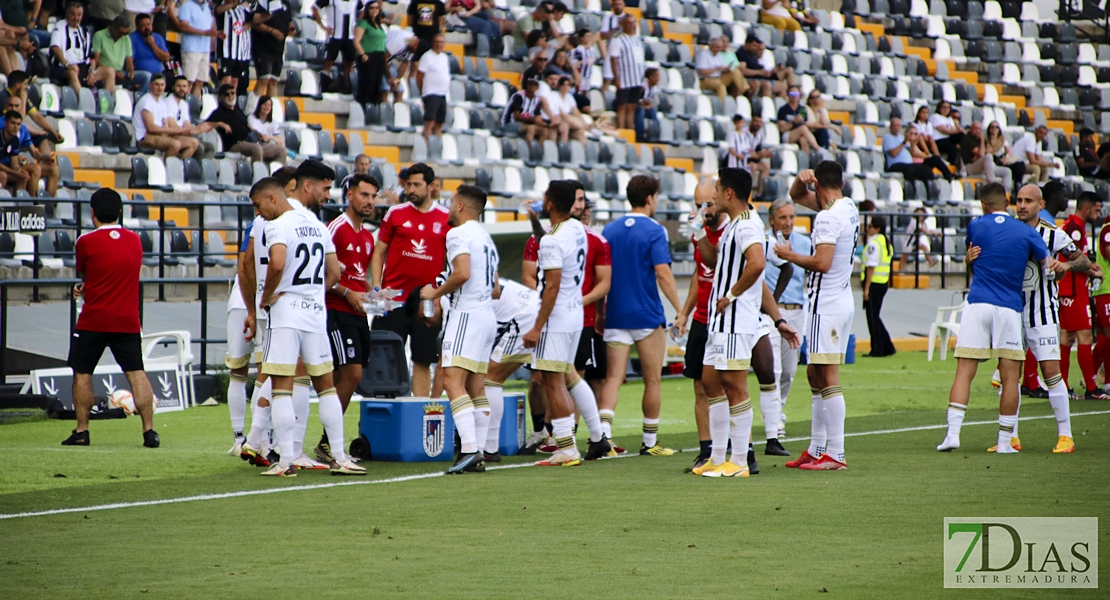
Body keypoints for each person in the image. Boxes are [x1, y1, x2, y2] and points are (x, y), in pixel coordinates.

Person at [250, 177, 366, 477]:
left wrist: (265, 298)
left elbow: (276, 264)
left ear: (272, 198)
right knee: (326, 387)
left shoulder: (278, 225)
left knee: (282, 387)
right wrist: (314, 292)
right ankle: (339, 457)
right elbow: (335, 272)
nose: (258, 213)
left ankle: (286, 460)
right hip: (315, 313)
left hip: (286, 313)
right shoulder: (316, 224)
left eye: (258, 205)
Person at [935, 183, 1048, 454]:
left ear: (983, 205)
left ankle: (952, 434)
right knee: (1011, 377)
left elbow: (973, 253)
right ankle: (1004, 441)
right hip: (1008, 307)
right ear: (1008, 201)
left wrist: (969, 259)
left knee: (964, 372)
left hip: (977, 304)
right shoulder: (1026, 231)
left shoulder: (976, 226)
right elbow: (1046, 261)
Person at [775, 161, 859, 470]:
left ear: (818, 187)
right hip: (836, 300)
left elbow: (822, 263)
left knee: (827, 375)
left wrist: (788, 255)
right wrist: (800, 181)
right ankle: (816, 447)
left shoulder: (827, 217)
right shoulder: (846, 206)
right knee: (814, 373)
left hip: (827, 303)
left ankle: (835, 454)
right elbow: (797, 196)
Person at [522, 180, 612, 466]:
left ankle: (566, 447)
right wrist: (537, 224)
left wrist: (537, 326)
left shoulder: (553, 238)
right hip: (575, 314)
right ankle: (598, 437)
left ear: (549, 204)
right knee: (570, 376)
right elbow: (550, 245)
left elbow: (551, 286)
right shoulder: (575, 228)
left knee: (552, 381)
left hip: (556, 317)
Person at [62, 188, 159, 449]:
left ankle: (82, 430)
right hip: (126, 319)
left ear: (92, 213)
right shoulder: (135, 241)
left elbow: (86, 273)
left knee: (82, 373)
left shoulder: (85, 241)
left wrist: (84, 287)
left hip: (94, 318)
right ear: (119, 212)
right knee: (137, 373)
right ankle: (149, 431)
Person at [417, 185, 500, 474]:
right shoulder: (487, 237)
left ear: (462, 206)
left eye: (452, 202)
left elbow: (462, 273)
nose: (449, 207)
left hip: (468, 313)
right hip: (487, 315)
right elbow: (496, 287)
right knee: (476, 386)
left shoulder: (458, 233)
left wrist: (436, 293)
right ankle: (478, 450)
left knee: (452, 380)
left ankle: (468, 450)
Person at [995, 185, 1085, 453]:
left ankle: (1065, 436)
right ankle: (1010, 437)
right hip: (1011, 312)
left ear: (1040, 204)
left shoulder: (1052, 233)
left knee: (1050, 373)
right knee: (1008, 373)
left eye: (1028, 201)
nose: (1021, 205)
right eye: (1019, 200)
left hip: (1042, 314)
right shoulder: (1008, 229)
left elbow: (1082, 259)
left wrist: (1065, 266)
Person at [600, 175, 683, 456]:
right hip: (647, 316)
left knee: (613, 379)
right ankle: (649, 443)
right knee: (652, 380)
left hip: (615, 314)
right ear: (649, 198)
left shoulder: (609, 230)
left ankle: (604, 439)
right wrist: (680, 308)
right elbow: (663, 273)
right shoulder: (655, 230)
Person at [370, 163, 450, 397]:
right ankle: (387, 410)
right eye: (408, 184)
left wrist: (440, 297)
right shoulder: (396, 213)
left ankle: (421, 414)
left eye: (417, 185)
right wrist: (377, 289)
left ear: (431, 186)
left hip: (426, 301)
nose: (411, 189)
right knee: (385, 357)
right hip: (392, 298)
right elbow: (378, 253)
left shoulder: (446, 218)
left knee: (423, 360)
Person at [321, 173, 379, 458]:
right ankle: (327, 444)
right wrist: (347, 294)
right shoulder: (336, 228)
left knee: (342, 377)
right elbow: (320, 274)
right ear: (349, 196)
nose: (369, 201)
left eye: (373, 196)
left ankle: (325, 444)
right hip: (336, 310)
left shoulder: (368, 237)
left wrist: (375, 295)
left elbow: (358, 277)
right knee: (352, 374)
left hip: (357, 313)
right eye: (364, 195)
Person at [677, 178, 730, 471]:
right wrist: (685, 312)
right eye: (698, 205)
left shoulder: (729, 231)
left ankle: (734, 448)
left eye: (708, 204)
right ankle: (706, 450)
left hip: (723, 318)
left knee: (726, 386)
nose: (703, 210)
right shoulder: (702, 232)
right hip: (701, 317)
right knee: (699, 386)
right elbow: (700, 274)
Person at [763, 198, 810, 436]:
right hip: (772, 311)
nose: (788, 222)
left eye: (791, 217)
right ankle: (774, 419)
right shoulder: (762, 243)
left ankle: (775, 410)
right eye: (782, 218)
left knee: (790, 370)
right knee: (775, 369)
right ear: (772, 220)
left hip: (796, 309)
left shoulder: (804, 243)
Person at [483, 277, 540, 461]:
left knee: (490, 380)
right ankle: (595, 436)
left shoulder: (448, 299)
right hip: (542, 309)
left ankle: (490, 448)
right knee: (560, 377)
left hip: (526, 316)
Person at [1059, 192, 1108, 399]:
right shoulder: (1075, 228)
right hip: (1073, 288)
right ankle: (1091, 388)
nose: (1099, 214)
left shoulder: (1074, 225)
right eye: (1096, 210)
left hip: (1071, 288)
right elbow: (1075, 261)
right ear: (1086, 209)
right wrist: (1092, 271)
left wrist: (1089, 267)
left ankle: (1063, 387)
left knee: (1068, 337)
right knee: (1084, 336)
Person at [207, 84, 285, 163]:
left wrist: (257, 133)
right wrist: (219, 124)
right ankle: (259, 174)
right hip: (235, 145)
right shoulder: (218, 113)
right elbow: (205, 124)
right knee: (257, 149)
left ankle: (278, 174)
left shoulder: (238, 110)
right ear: (220, 97)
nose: (230, 96)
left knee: (281, 151)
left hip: (250, 141)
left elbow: (246, 125)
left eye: (233, 93)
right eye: (227, 94)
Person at [133, 74, 201, 157]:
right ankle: (167, 168)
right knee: (175, 144)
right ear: (150, 85)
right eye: (156, 84)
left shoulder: (162, 102)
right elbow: (151, 128)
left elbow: (165, 125)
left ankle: (181, 168)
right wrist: (174, 131)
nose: (160, 88)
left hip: (160, 135)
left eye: (162, 85)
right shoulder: (146, 102)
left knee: (194, 142)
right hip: (145, 137)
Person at [861, 216, 895, 357]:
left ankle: (879, 348)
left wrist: (866, 289)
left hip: (874, 283)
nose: (868, 229)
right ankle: (886, 345)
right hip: (882, 282)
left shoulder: (874, 244)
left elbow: (871, 267)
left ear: (877, 229)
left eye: (870, 226)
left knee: (873, 318)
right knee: (875, 316)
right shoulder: (885, 242)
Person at [169, 0, 216, 99]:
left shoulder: (207, 7)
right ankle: (183, 105)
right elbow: (183, 26)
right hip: (191, 48)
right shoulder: (187, 6)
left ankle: (193, 107)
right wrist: (203, 33)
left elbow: (208, 27)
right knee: (188, 81)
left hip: (205, 49)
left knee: (200, 82)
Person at [164, 75, 218, 159]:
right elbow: (173, 127)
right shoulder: (167, 102)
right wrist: (195, 130)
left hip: (183, 135)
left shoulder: (184, 104)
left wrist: (198, 129)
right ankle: (189, 169)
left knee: (210, 147)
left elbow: (187, 125)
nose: (182, 89)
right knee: (199, 147)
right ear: (173, 87)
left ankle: (200, 169)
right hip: (172, 136)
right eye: (179, 86)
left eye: (184, 86)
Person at [90, 16, 148, 94]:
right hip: (104, 74)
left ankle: (139, 101)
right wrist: (112, 72)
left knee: (146, 76)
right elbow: (95, 60)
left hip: (120, 73)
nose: (122, 35)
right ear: (113, 28)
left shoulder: (126, 38)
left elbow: (129, 60)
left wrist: (130, 71)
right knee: (108, 77)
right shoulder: (99, 35)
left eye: (125, 33)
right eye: (120, 32)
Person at [312, 0, 358, 94]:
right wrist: (323, 26)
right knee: (329, 62)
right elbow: (314, 8)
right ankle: (324, 86)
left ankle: (348, 88)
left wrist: (357, 25)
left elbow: (365, 8)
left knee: (349, 64)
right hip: (335, 36)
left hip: (349, 37)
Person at [883, 118, 949, 182]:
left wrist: (913, 143)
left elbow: (911, 152)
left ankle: (949, 177)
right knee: (911, 169)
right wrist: (904, 142)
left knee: (935, 159)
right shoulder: (888, 137)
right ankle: (912, 190)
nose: (896, 127)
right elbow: (893, 153)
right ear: (890, 127)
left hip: (909, 164)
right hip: (895, 165)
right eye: (894, 125)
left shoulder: (901, 137)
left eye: (898, 125)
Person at [608, 13, 643, 131]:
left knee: (632, 106)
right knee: (622, 106)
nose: (632, 25)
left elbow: (640, 59)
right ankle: (621, 130)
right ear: (623, 24)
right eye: (629, 23)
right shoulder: (618, 39)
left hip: (637, 77)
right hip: (624, 78)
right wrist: (616, 78)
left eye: (633, 23)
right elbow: (613, 60)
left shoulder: (637, 39)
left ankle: (629, 130)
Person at [251, 0, 292, 100]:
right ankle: (254, 109)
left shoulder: (285, 3)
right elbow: (254, 22)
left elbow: (289, 22)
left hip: (278, 48)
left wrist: (291, 29)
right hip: (263, 47)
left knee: (274, 81)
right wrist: (272, 31)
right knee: (263, 79)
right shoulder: (262, 2)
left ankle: (271, 112)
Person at [49, 2, 94, 93]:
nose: (76, 18)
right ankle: (82, 102)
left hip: (83, 67)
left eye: (79, 15)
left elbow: (91, 57)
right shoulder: (60, 26)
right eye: (73, 14)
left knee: (109, 71)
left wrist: (92, 72)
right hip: (62, 67)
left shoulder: (85, 31)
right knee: (72, 73)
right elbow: (55, 48)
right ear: (67, 14)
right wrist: (67, 65)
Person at [961, 121, 1013, 193]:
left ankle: (1007, 194)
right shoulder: (968, 139)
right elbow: (982, 154)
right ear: (971, 129)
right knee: (988, 157)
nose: (978, 131)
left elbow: (986, 152)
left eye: (979, 129)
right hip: (970, 167)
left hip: (983, 165)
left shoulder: (979, 139)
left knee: (1007, 171)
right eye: (975, 128)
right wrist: (982, 139)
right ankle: (992, 184)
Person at [216, 0, 253, 96]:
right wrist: (233, 4)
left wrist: (246, 26)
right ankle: (223, 103)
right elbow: (218, 11)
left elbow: (254, 19)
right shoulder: (223, 6)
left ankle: (231, 103)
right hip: (225, 51)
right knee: (226, 80)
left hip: (239, 52)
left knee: (235, 81)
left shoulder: (243, 8)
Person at [353, 1, 387, 105]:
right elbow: (356, 41)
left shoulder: (378, 24)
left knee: (377, 86)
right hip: (369, 56)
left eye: (376, 8)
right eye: (372, 8)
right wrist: (363, 55)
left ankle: (372, 110)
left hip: (379, 56)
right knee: (367, 86)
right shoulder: (363, 23)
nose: (374, 10)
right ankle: (363, 108)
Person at [417, 33, 449, 142]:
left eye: (441, 42)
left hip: (442, 94)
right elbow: (419, 75)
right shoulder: (427, 56)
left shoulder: (444, 57)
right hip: (431, 93)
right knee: (430, 122)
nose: (439, 44)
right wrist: (423, 91)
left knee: (439, 122)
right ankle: (424, 146)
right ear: (433, 43)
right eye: (437, 42)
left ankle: (437, 146)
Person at [735, 34, 789, 98]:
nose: (755, 48)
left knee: (783, 86)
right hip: (753, 79)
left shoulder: (752, 54)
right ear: (747, 43)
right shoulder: (741, 53)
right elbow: (743, 71)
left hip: (763, 77)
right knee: (767, 85)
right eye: (754, 46)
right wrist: (760, 72)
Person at [696, 37, 748, 102]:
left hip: (719, 78)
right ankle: (721, 107)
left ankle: (745, 90)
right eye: (717, 47)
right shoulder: (703, 55)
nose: (719, 49)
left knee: (735, 71)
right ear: (711, 46)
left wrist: (727, 70)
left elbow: (722, 69)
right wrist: (716, 68)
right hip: (706, 80)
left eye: (720, 47)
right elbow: (702, 72)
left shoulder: (719, 55)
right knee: (721, 87)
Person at [130, 13, 171, 84]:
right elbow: (129, 60)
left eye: (148, 24)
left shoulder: (157, 37)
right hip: (141, 75)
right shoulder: (131, 38)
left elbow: (166, 58)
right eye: (143, 25)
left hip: (159, 75)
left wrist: (153, 46)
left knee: (175, 81)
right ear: (137, 27)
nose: (147, 28)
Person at [502, 77, 546, 142]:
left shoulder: (537, 100)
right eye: (530, 84)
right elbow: (517, 117)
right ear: (526, 85)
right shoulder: (518, 96)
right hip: (509, 124)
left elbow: (538, 117)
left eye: (534, 85)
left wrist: (547, 125)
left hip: (524, 124)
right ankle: (528, 150)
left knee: (545, 130)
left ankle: (540, 150)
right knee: (531, 128)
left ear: (538, 87)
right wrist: (533, 119)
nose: (532, 86)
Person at [777, 85, 819, 152]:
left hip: (800, 133)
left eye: (796, 94)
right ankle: (818, 148)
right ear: (788, 95)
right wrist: (794, 122)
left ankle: (805, 160)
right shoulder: (783, 109)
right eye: (791, 94)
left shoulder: (802, 109)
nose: (794, 96)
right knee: (802, 128)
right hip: (787, 134)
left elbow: (805, 123)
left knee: (803, 140)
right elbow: (782, 128)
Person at [385, 28, 419, 103]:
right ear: (415, 44)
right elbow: (384, 59)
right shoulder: (403, 40)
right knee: (385, 89)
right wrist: (389, 78)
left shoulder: (413, 46)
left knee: (399, 91)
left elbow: (405, 62)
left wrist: (397, 80)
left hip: (391, 64)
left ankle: (396, 113)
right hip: (379, 64)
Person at [928, 100, 964, 168]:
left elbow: (954, 130)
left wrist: (957, 126)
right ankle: (951, 166)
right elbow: (945, 131)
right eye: (944, 107)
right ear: (939, 108)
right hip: (938, 140)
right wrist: (958, 129)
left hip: (948, 138)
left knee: (961, 136)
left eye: (948, 108)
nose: (946, 109)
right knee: (953, 149)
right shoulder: (935, 117)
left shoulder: (949, 119)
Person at [568, 29, 596, 111]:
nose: (589, 38)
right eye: (587, 36)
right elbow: (575, 62)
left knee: (586, 92)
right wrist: (581, 62)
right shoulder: (579, 49)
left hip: (588, 75)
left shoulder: (591, 49)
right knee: (580, 92)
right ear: (581, 38)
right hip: (581, 75)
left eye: (590, 36)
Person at [634, 67, 660, 142]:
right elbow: (637, 101)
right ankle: (639, 136)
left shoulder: (654, 88)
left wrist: (646, 105)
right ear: (651, 78)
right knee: (640, 111)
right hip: (635, 107)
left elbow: (648, 102)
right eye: (657, 76)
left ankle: (655, 135)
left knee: (653, 111)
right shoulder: (643, 86)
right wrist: (645, 105)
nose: (659, 79)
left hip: (644, 107)